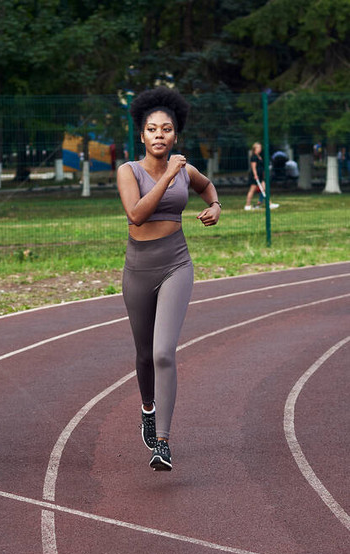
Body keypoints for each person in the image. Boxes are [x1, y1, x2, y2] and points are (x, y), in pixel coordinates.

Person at [116, 87, 222, 471]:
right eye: (152, 129)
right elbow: (137, 215)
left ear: (176, 135)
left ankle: (163, 442)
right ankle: (148, 408)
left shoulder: (185, 169)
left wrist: (215, 205)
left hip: (177, 263)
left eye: (166, 129)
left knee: (163, 352)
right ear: (141, 135)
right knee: (144, 355)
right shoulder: (128, 171)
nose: (159, 135)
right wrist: (169, 174)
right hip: (138, 269)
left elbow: (207, 185)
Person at [244, 142, 265, 211]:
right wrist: (255, 175)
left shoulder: (259, 156)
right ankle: (247, 205)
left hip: (260, 176)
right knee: (252, 190)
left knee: (264, 189)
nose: (260, 149)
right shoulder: (254, 157)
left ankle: (264, 203)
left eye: (260, 147)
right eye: (258, 147)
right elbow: (253, 167)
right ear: (255, 148)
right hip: (255, 177)